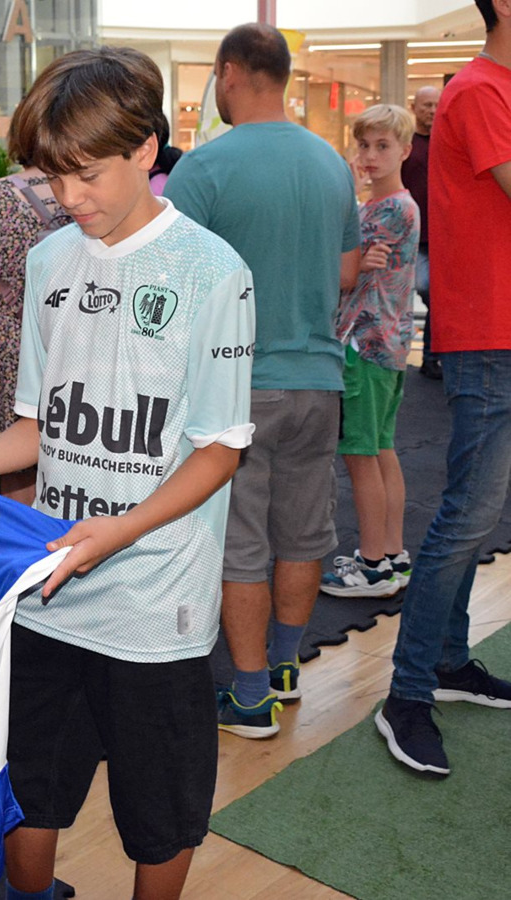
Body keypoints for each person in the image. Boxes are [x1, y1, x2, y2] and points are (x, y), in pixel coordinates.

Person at [0, 46, 255, 900]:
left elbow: (220, 449)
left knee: (161, 813)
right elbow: (36, 430)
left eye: (88, 174)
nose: (69, 197)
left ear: (146, 150)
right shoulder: (49, 262)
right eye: (54, 177)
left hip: (155, 607)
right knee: (30, 789)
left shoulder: (212, 272)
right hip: (47, 591)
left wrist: (118, 532)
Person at [164, 22, 361, 738]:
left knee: (241, 540)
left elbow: (171, 281)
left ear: (229, 73)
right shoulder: (331, 164)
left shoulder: (204, 169)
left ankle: (250, 698)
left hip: (237, 386)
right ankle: (284, 669)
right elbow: (347, 273)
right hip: (319, 379)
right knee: (304, 534)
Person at [377, 0, 511, 777]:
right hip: (488, 333)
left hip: (499, 330)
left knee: (478, 511)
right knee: (468, 515)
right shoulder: (480, 89)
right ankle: (407, 692)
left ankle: (450, 661)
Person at [321, 105, 419, 599]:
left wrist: (351, 260)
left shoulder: (387, 210)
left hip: (365, 344)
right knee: (380, 451)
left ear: (405, 150)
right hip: (388, 344)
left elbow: (343, 270)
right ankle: (391, 554)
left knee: (362, 457)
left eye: (382, 146)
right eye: (364, 145)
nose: (370, 155)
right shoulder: (389, 206)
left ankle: (374, 563)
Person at [0, 105, 70, 503]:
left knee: (16, 465)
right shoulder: (83, 194)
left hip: (16, 346)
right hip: (77, 340)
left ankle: (23, 538)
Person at [402, 85, 443, 380]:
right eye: (426, 105)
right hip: (410, 235)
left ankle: (431, 357)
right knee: (425, 290)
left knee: (437, 298)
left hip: (441, 235)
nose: (432, 110)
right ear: (414, 107)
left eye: (436, 105)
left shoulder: (447, 141)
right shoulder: (406, 144)